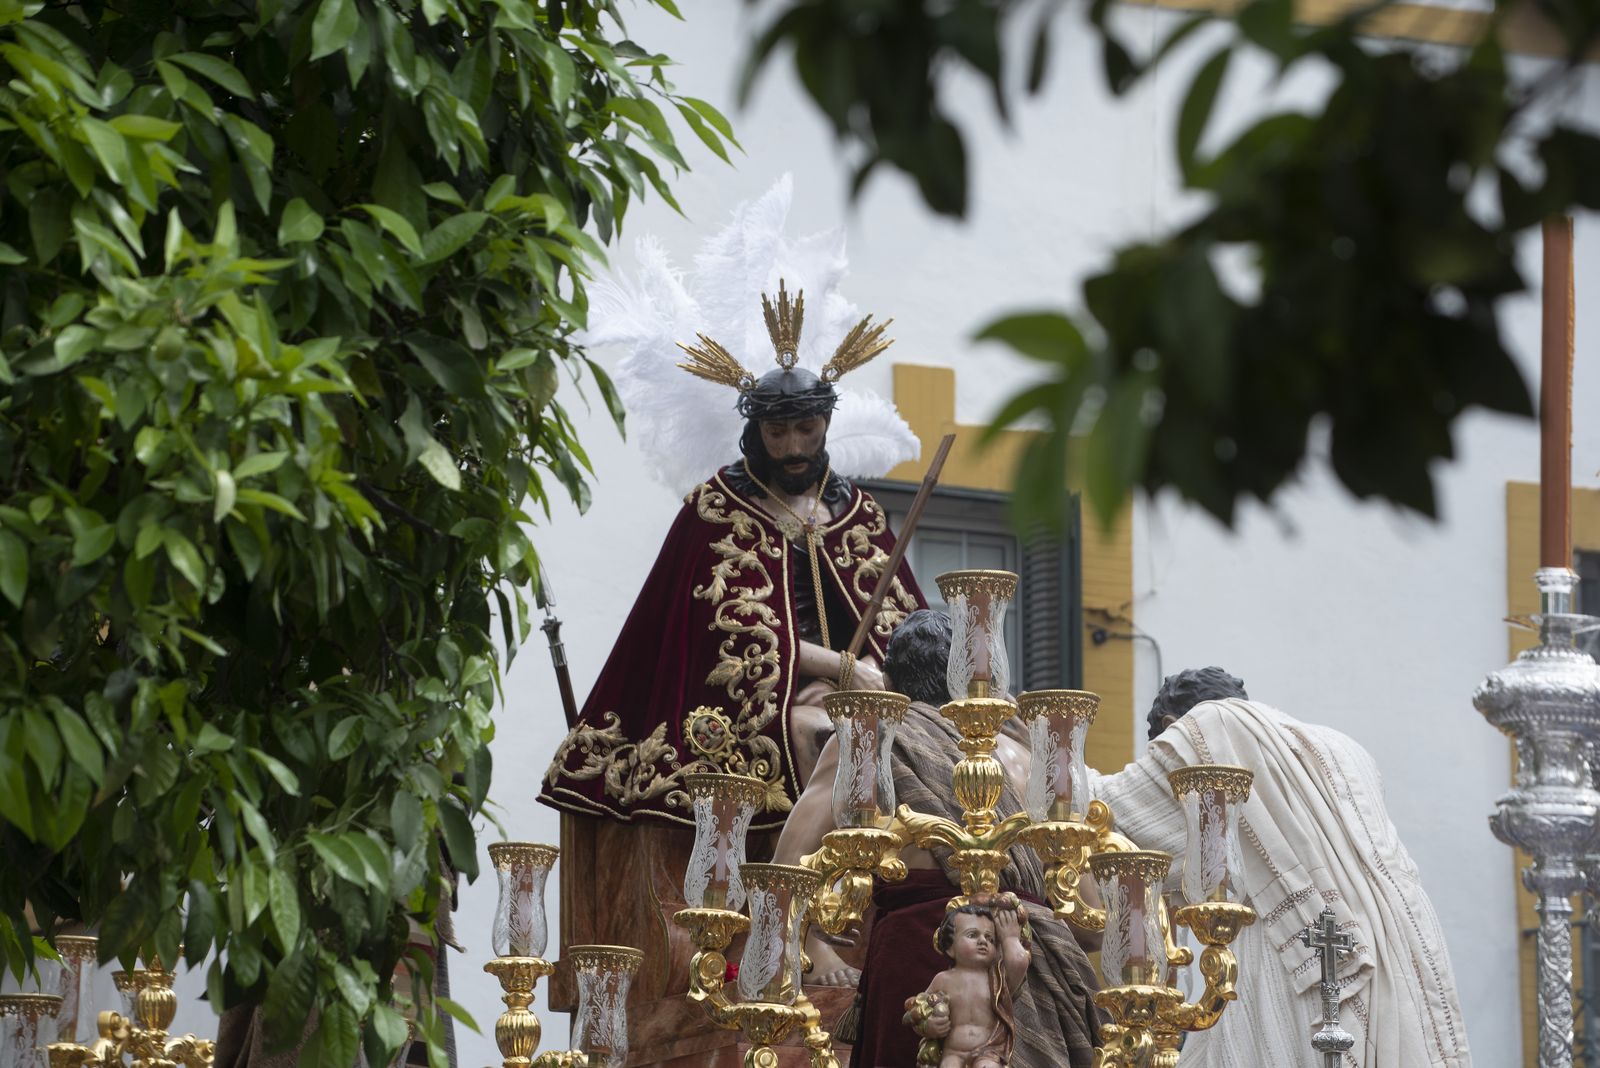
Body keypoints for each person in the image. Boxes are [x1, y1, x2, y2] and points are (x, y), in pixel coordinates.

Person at [539, 281, 925, 827]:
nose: (793, 448)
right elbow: (729, 633)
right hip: (767, 702)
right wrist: (840, 668)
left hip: (861, 687)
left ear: (826, 424)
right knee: (821, 734)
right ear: (755, 431)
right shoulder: (717, 510)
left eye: (806, 429)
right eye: (777, 432)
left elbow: (903, 624)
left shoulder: (856, 511)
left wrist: (872, 670)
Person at [1092, 668, 1473, 1068]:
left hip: (1291, 963)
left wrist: (1045, 745)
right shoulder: (1342, 749)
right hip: (1399, 964)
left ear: (1173, 728)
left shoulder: (1209, 732)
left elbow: (1107, 818)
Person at [773, 609, 1103, 1068]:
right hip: (1031, 958)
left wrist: (808, 940)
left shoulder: (872, 739)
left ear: (889, 682)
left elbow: (787, 870)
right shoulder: (1031, 760)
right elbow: (1091, 926)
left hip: (924, 957)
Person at [908, 897, 1031, 1068]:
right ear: (950, 947)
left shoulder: (996, 978)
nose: (983, 941)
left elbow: (1019, 961)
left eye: (990, 938)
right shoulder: (943, 979)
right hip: (952, 1052)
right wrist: (930, 1026)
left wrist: (1009, 938)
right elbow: (916, 1012)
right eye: (972, 935)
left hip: (989, 1051)